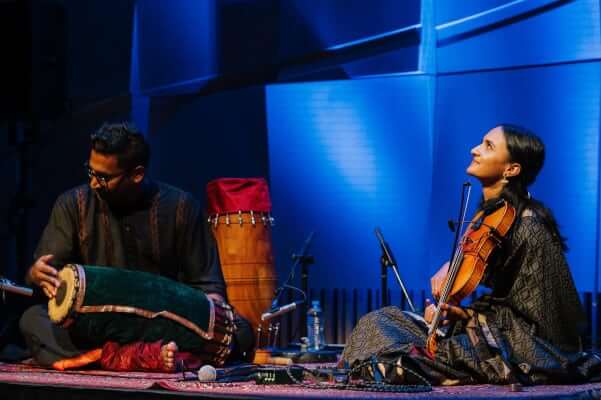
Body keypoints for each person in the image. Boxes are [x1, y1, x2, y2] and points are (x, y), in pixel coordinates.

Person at [342, 124, 601, 385]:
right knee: (378, 321)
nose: (474, 150)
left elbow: (539, 320)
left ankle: (431, 369)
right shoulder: (488, 217)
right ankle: (418, 367)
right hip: (491, 328)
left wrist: (472, 319)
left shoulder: (529, 226)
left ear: (511, 169)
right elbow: (492, 284)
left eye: (488, 146)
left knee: (418, 351)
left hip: (521, 343)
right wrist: (459, 306)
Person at [20, 122, 253, 371]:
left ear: (137, 174)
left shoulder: (181, 207)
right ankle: (132, 357)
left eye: (104, 177)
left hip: (160, 329)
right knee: (33, 320)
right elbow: (48, 279)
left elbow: (209, 287)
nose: (93, 183)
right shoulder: (72, 205)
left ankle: (141, 356)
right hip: (96, 329)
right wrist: (36, 274)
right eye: (90, 171)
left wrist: (210, 323)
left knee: (240, 333)